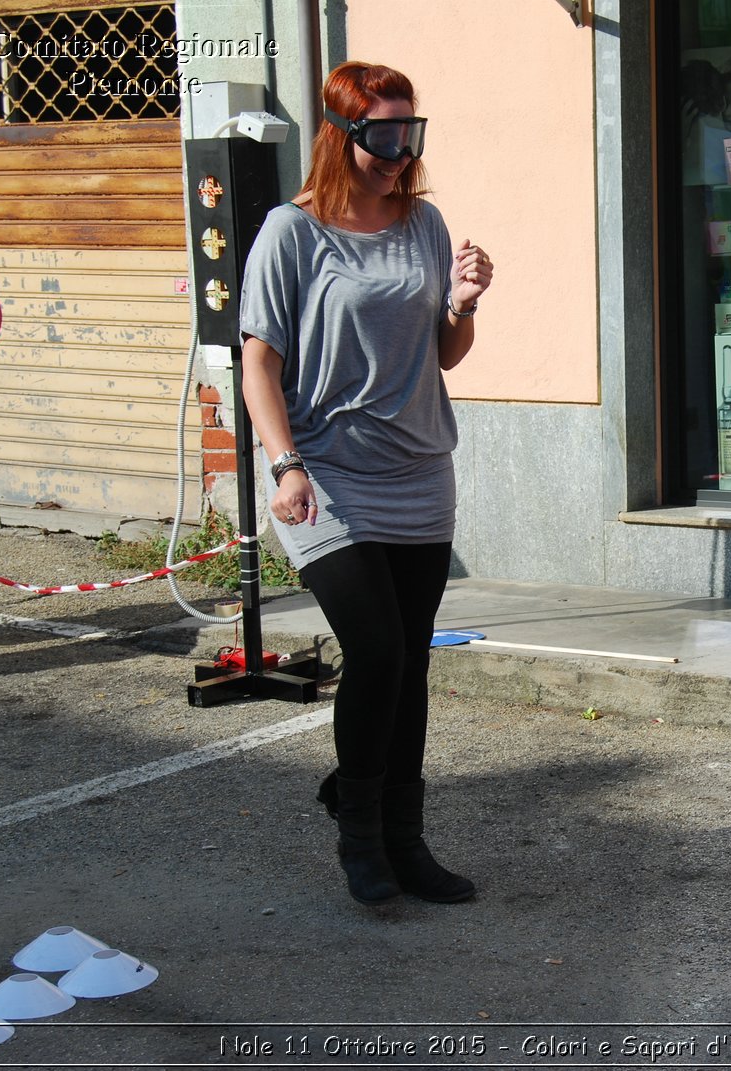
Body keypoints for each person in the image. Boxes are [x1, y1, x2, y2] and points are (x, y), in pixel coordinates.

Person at [238, 60, 494, 908]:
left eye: (408, 134)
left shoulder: (423, 223)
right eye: (383, 135)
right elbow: (258, 367)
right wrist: (285, 465)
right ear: (340, 136)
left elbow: (443, 354)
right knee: (377, 648)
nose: (398, 151)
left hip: (420, 471)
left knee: (406, 666)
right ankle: (357, 827)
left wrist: (461, 303)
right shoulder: (292, 232)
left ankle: (405, 839)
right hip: (326, 478)